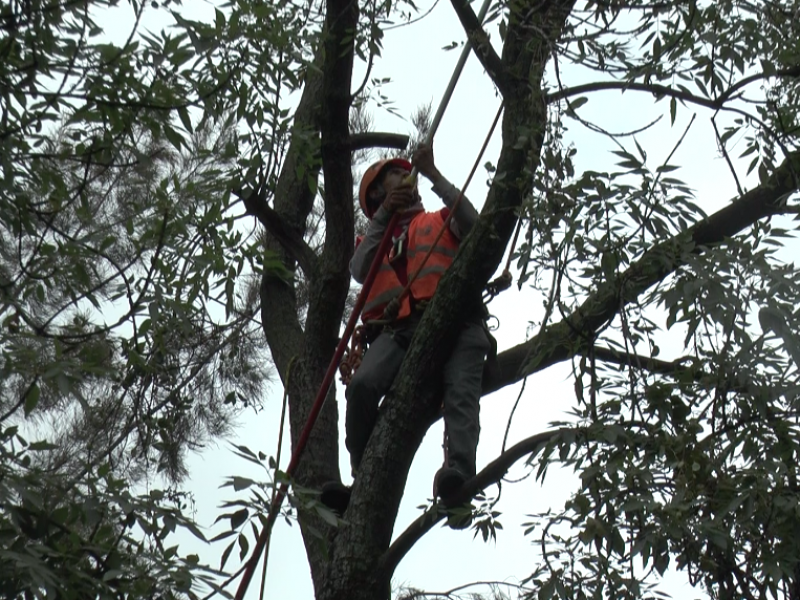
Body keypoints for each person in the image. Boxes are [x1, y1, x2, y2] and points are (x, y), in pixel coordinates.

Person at [321, 144, 490, 517]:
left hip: (457, 322)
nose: (405, 175)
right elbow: (361, 270)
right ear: (379, 193)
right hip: (397, 332)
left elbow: (476, 227)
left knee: (461, 393)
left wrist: (433, 174)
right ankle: (360, 482)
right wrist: (385, 215)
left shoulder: (439, 219)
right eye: (395, 174)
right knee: (362, 387)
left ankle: (459, 472)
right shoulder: (371, 243)